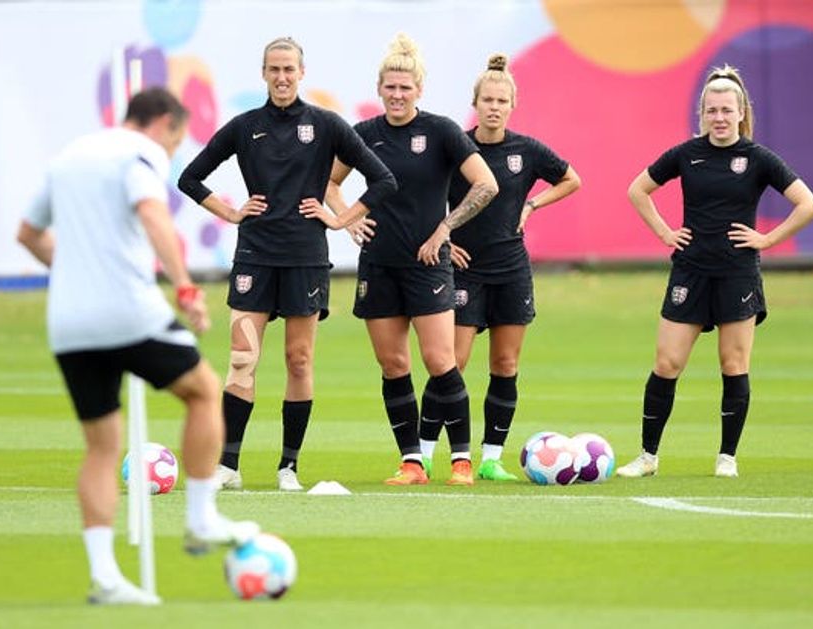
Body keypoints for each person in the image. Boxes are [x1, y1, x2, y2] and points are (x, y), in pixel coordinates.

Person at [16, 87, 260, 606]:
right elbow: (153, 215)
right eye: (175, 141)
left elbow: (29, 234)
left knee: (103, 446)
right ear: (164, 125)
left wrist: (76, 274)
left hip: (70, 322)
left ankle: (105, 577)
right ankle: (200, 519)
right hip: (127, 310)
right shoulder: (140, 153)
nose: (171, 153)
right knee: (203, 390)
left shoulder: (68, 156)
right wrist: (187, 289)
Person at [177, 37, 396, 492]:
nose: (281, 77)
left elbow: (382, 178)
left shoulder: (327, 125)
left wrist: (339, 220)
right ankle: (229, 466)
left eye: (289, 69)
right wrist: (232, 212)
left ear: (302, 73)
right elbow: (189, 177)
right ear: (263, 73)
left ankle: (288, 468)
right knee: (242, 358)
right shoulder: (243, 127)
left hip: (305, 259)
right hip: (255, 255)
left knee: (298, 360)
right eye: (274, 69)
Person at [300, 33, 498, 485]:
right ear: (379, 89)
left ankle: (461, 460)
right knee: (393, 365)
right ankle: (412, 462)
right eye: (390, 87)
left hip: (428, 266)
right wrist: (347, 220)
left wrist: (445, 229)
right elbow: (329, 182)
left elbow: (486, 184)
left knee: (440, 360)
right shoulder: (363, 136)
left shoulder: (441, 131)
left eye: (405, 87)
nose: (397, 94)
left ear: (419, 90)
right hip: (379, 265)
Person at [616, 65, 813, 479]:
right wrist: (664, 232)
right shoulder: (686, 154)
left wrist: (766, 239)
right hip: (690, 272)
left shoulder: (758, 158)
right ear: (702, 113)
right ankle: (648, 457)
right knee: (667, 362)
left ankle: (727, 456)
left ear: (741, 111)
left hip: (737, 274)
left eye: (727, 110)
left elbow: (809, 204)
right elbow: (638, 189)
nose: (720, 117)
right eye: (712, 110)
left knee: (733, 364)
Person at [413, 53, 583, 481]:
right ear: (476, 102)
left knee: (505, 365)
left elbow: (571, 178)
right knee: (450, 362)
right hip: (464, 271)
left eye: (501, 100)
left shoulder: (526, 151)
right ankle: (425, 453)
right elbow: (424, 196)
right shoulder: (457, 148)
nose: (493, 106)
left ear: (512, 105)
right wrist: (443, 239)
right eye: (486, 99)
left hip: (511, 270)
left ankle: (491, 458)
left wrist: (532, 204)